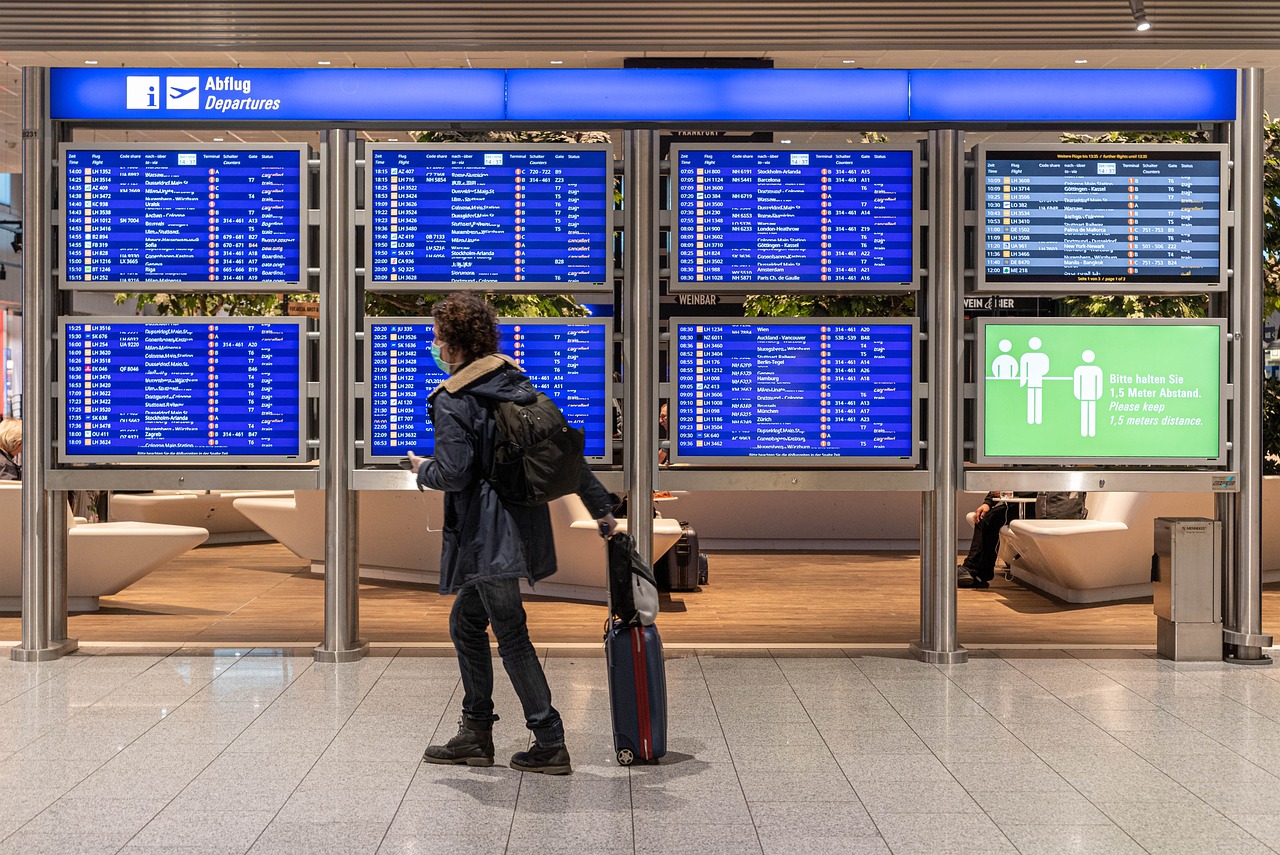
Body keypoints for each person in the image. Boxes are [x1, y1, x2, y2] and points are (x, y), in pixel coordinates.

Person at [407, 293, 617, 776]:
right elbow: (563, 454)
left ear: (456, 345)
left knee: (512, 633)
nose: (434, 344)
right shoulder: (516, 386)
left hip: (487, 536)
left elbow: (455, 473)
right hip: (520, 527)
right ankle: (476, 732)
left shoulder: (455, 401)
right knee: (465, 623)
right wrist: (602, 506)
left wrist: (423, 469)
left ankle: (548, 739)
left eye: (439, 336)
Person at [958, 490, 1087, 589]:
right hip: (1029, 504)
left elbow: (1026, 482)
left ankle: (975, 570)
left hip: (1040, 508)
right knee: (987, 519)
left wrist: (1008, 491)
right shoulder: (1018, 458)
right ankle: (974, 569)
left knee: (990, 520)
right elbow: (1007, 479)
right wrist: (988, 502)